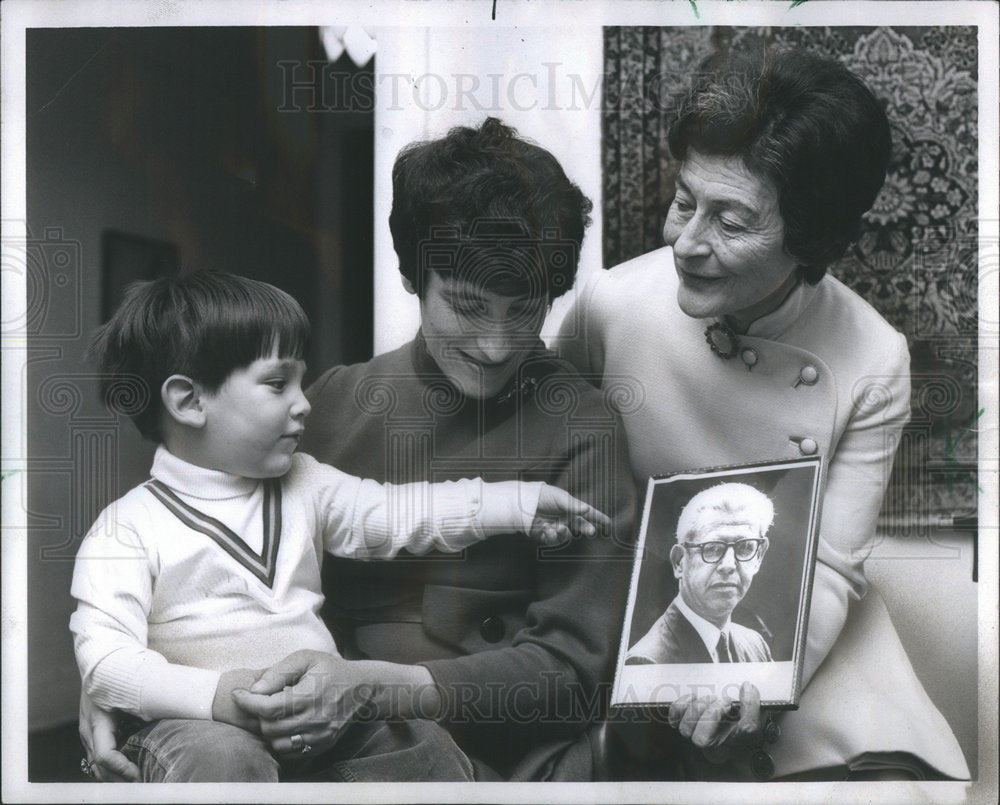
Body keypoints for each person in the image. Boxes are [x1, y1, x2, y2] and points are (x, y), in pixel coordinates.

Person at [79, 118, 638, 782]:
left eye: (524, 311)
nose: (495, 344)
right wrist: (113, 685)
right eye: (466, 306)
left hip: (478, 762)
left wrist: (372, 686)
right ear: (413, 274)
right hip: (281, 745)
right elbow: (200, 573)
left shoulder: (582, 425)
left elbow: (575, 678)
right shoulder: (330, 404)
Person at [559, 47, 970, 780]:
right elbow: (548, 467)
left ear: (810, 237)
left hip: (799, 629)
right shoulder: (609, 305)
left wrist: (759, 684)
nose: (684, 242)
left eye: (731, 221)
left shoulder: (875, 358)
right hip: (640, 617)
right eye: (685, 200)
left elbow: (832, 566)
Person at [625, 483, 774, 665]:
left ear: (759, 556)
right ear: (679, 561)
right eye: (712, 548)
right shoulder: (648, 660)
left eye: (744, 547)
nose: (728, 565)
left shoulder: (756, 645)